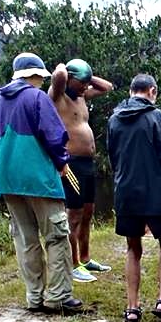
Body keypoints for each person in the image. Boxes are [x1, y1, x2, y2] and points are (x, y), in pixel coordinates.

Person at [0, 52, 84, 315]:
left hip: (7, 180)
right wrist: (62, 161)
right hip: (38, 178)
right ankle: (59, 296)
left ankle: (34, 296)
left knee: (25, 238)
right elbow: (54, 136)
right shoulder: (36, 97)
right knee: (56, 235)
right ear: (36, 75)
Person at [107, 74, 161, 322]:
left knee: (133, 248)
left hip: (126, 193)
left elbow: (113, 159)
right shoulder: (156, 117)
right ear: (151, 91)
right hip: (154, 193)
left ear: (131, 92)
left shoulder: (114, 119)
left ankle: (132, 308)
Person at [48, 58, 114, 284]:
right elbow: (58, 77)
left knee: (88, 212)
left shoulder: (81, 95)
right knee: (73, 215)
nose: (86, 87)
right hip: (71, 162)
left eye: (87, 83)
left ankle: (85, 259)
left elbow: (107, 87)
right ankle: (73, 264)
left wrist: (86, 76)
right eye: (82, 83)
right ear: (70, 79)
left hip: (87, 163)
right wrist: (64, 69)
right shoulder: (58, 96)